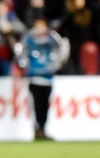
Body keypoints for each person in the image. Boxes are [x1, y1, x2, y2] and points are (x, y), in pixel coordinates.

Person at [15, 12, 68, 140]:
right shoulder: (29, 38)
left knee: (44, 105)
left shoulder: (52, 37)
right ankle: (37, 128)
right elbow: (20, 52)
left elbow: (63, 48)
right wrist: (25, 66)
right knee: (36, 105)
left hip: (48, 78)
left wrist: (56, 65)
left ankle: (43, 129)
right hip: (34, 77)